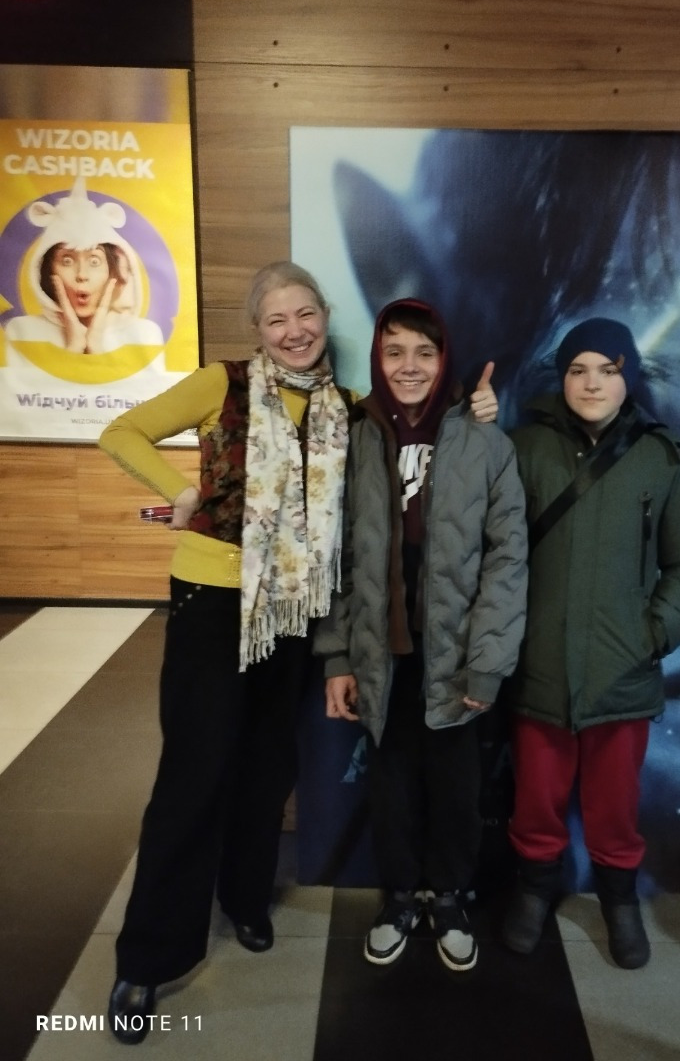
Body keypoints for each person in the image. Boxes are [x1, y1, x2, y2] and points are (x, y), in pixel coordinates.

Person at [98, 264, 499, 1044]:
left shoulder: (345, 408)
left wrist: (476, 409)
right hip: (215, 601)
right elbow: (123, 432)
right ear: (257, 329)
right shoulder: (221, 385)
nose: (294, 330)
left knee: (264, 768)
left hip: (293, 611)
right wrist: (179, 491)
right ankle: (149, 955)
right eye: (276, 318)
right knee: (192, 776)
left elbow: (414, 420)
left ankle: (244, 901)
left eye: (305, 313)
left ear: (324, 317)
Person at [315, 298, 527, 972]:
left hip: (457, 655)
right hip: (383, 655)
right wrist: (337, 656)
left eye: (424, 353)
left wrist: (486, 662)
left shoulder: (486, 443)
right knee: (392, 786)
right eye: (394, 351)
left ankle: (451, 897)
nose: (409, 366)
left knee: (458, 789)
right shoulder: (354, 438)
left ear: (445, 361)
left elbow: (506, 561)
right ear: (377, 360)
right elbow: (335, 556)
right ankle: (400, 897)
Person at [501, 317, 680, 969]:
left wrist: (651, 636)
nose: (591, 383)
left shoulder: (664, 457)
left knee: (615, 804)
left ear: (629, 377)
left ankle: (619, 900)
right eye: (577, 369)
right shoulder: (522, 448)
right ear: (561, 378)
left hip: (623, 671)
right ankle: (533, 890)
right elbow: (492, 551)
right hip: (538, 666)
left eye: (607, 369)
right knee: (534, 798)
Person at [5, 176, 163, 354]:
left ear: (113, 271)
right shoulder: (23, 331)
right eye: (67, 261)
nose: (81, 275)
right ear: (47, 270)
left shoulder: (144, 334)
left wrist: (95, 345)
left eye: (94, 261)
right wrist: (74, 346)